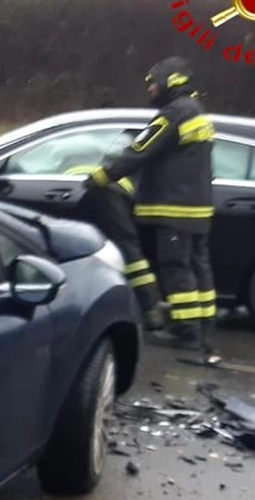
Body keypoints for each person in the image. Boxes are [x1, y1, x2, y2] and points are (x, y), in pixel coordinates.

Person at [84, 56, 216, 351]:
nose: (151, 90)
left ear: (170, 82)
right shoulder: (197, 112)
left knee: (175, 268)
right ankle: (205, 328)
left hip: (175, 209)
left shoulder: (174, 114)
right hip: (198, 209)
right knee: (198, 267)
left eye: (155, 84)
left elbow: (138, 151)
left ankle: (186, 333)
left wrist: (101, 176)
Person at [62, 162, 167, 334]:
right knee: (128, 249)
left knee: (121, 249)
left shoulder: (109, 155)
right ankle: (150, 308)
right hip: (112, 194)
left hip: (104, 192)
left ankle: (149, 307)